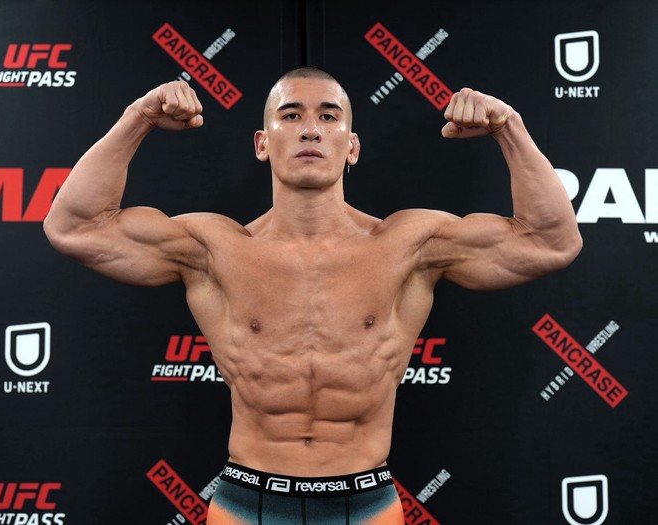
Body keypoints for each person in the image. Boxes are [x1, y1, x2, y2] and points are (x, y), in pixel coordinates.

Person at [44, 67, 582, 524]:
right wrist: (138, 117)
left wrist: (508, 127)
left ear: (352, 147)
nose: (310, 130)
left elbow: (551, 241)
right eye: (291, 115)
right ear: (263, 144)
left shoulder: (409, 244)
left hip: (365, 504)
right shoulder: (213, 248)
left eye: (328, 117)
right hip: (246, 503)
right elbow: (75, 227)